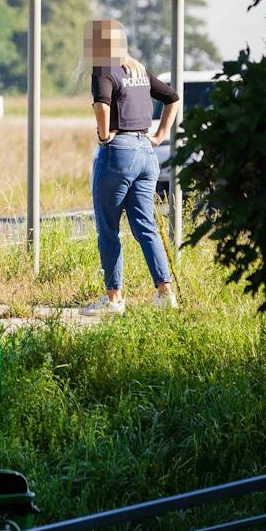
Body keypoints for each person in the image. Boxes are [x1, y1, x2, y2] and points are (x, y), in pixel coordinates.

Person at [81, 18, 180, 314]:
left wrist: (102, 134)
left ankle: (114, 299)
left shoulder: (103, 67)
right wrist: (160, 135)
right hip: (146, 154)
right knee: (145, 225)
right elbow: (172, 97)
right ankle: (165, 293)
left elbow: (101, 104)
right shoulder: (136, 68)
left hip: (118, 151)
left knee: (108, 229)